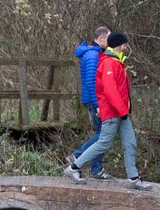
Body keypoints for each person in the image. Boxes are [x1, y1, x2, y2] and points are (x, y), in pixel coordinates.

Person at [63, 30, 152, 190]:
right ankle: (74, 168)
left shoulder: (116, 62)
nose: (126, 47)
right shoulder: (109, 63)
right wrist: (120, 110)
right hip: (113, 112)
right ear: (118, 45)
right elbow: (110, 90)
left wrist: (123, 111)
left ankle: (133, 178)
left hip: (121, 112)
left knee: (130, 142)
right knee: (103, 142)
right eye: (125, 44)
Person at [70, 26, 110, 179]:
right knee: (102, 135)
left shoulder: (93, 53)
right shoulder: (93, 55)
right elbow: (91, 83)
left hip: (93, 100)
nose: (110, 42)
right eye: (108, 38)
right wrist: (98, 104)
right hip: (94, 101)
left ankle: (96, 169)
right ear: (100, 38)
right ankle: (76, 156)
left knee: (102, 134)